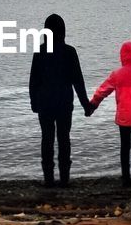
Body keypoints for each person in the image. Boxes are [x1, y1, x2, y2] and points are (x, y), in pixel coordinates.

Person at [28, 14, 92, 187]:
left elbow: (34, 81)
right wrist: (86, 105)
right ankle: (64, 179)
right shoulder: (69, 52)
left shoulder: (40, 52)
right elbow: (78, 81)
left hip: (45, 104)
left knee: (47, 139)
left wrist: (34, 102)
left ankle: (48, 180)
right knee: (64, 139)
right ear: (63, 31)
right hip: (64, 103)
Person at [90, 41, 131, 187]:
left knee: (125, 147)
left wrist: (93, 105)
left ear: (122, 55)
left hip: (124, 116)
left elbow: (103, 91)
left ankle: (126, 179)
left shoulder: (117, 74)